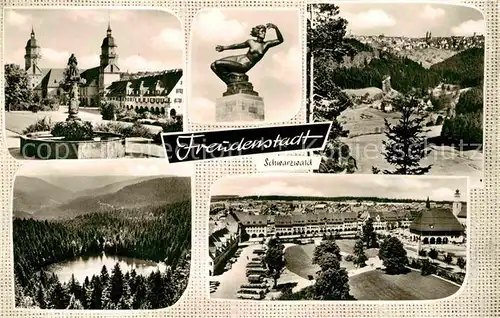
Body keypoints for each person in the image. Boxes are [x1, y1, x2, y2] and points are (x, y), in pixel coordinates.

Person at [211, 23, 284, 84]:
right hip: (239, 58)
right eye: (262, 31)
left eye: (265, 32)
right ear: (257, 33)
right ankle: (229, 82)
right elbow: (238, 45)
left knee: (218, 63)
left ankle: (230, 81)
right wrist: (224, 47)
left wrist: (276, 28)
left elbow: (280, 40)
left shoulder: (266, 45)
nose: (264, 33)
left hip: (244, 65)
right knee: (213, 65)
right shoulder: (250, 41)